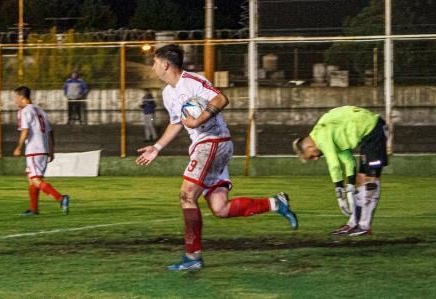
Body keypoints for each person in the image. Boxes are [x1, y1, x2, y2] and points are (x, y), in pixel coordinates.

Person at [136, 44, 298, 271]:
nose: (152, 66)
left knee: (186, 195)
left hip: (213, 141)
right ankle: (275, 203)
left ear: (165, 64)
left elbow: (220, 98)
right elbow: (176, 123)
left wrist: (198, 120)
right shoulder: (167, 93)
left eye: (154, 62)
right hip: (205, 145)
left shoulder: (191, 81)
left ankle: (193, 258)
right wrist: (157, 147)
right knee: (220, 208)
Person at [292, 106, 388, 236]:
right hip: (368, 134)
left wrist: (339, 192)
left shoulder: (321, 135)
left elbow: (334, 165)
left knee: (370, 180)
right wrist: (349, 187)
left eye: (311, 156)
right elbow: (348, 161)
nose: (315, 158)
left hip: (373, 130)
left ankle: (364, 226)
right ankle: (353, 223)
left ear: (309, 147)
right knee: (360, 180)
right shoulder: (326, 132)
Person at [13, 86, 70, 216]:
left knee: (36, 180)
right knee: (31, 179)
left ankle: (61, 198)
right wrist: (51, 150)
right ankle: (34, 209)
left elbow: (25, 130)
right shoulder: (41, 111)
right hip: (43, 150)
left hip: (34, 150)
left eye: (16, 98)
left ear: (22, 97)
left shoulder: (24, 111)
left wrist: (18, 147)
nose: (15, 101)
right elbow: (50, 131)